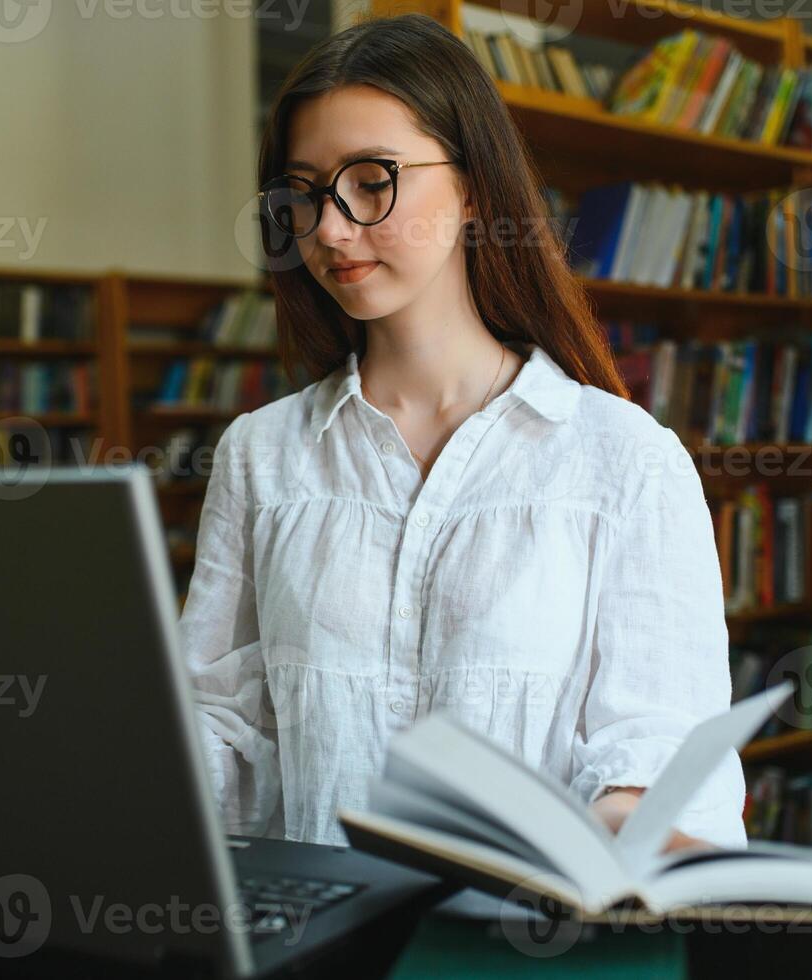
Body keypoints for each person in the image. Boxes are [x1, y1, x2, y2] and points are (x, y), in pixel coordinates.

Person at [180, 14, 742, 854]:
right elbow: (227, 739)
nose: (330, 229)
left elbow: (661, 758)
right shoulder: (261, 456)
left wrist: (622, 828)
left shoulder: (623, 462)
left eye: (371, 180)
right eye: (303, 193)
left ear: (473, 185)